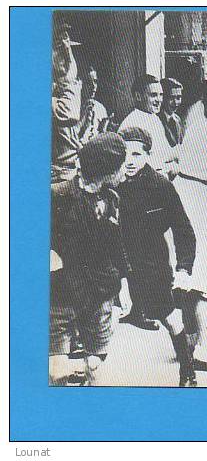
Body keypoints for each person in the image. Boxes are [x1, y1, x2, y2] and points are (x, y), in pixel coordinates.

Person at [116, 127, 198, 386]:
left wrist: (184, 268)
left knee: (169, 317)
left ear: (148, 155)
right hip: (118, 259)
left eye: (137, 154)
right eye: (125, 154)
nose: (130, 161)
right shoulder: (113, 183)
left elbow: (184, 230)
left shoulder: (161, 186)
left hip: (151, 262)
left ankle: (187, 370)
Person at [50, 133, 130, 385]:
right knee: (56, 372)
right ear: (106, 171)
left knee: (96, 364)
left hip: (100, 292)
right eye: (121, 166)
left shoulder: (112, 199)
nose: (125, 170)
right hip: (62, 293)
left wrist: (124, 283)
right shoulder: (58, 195)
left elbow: (116, 245)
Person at [119, 74, 178, 179]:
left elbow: (164, 152)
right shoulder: (132, 124)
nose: (159, 100)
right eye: (153, 95)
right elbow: (137, 164)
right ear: (138, 96)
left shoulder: (154, 117)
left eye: (161, 95)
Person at [51, 21, 82, 183]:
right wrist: (68, 79)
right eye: (59, 47)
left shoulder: (59, 90)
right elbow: (68, 113)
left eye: (68, 46)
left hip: (68, 171)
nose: (68, 54)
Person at [77, 66, 110, 145]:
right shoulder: (74, 108)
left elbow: (102, 138)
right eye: (88, 82)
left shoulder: (100, 108)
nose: (93, 86)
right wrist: (83, 121)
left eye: (95, 82)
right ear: (80, 83)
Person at [159, 77, 185, 147]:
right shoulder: (157, 120)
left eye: (178, 98)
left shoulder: (177, 119)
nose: (176, 102)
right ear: (163, 98)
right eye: (171, 98)